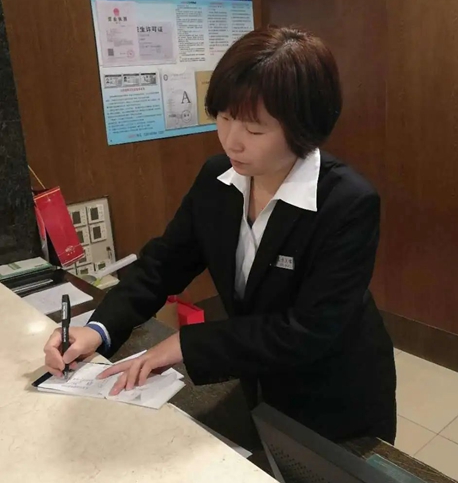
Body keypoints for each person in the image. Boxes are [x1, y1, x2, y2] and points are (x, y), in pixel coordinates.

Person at [44, 26, 397, 444]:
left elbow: (308, 330)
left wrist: (185, 345)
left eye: (255, 130)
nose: (232, 142)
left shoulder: (347, 203)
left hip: (336, 397)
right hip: (257, 382)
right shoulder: (217, 180)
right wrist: (98, 328)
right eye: (224, 118)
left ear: (304, 128)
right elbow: (163, 264)